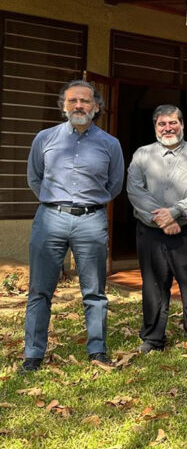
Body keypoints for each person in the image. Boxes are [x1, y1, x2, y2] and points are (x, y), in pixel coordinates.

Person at [23, 80, 124, 371]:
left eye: (85, 101)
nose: (79, 106)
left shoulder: (110, 144)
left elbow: (115, 183)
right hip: (50, 218)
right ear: (63, 106)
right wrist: (53, 202)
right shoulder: (44, 138)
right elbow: (35, 177)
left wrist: (92, 204)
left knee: (94, 291)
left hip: (91, 220)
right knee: (40, 289)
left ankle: (97, 350)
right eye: (73, 101)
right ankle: (33, 353)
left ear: (96, 106)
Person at [127, 104, 187, 354]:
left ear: (182, 125)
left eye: (173, 122)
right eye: (162, 124)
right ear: (155, 127)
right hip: (150, 233)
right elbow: (135, 190)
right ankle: (153, 339)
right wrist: (162, 220)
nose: (168, 128)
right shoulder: (142, 155)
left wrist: (174, 213)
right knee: (153, 287)